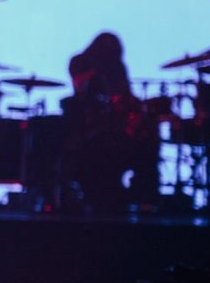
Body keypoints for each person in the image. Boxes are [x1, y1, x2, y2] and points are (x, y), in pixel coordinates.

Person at [60, 31, 158, 211]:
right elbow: (81, 94)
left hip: (117, 133)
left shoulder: (117, 70)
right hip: (86, 134)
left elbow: (127, 100)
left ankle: (145, 198)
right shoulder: (82, 64)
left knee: (148, 140)